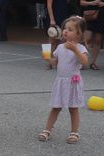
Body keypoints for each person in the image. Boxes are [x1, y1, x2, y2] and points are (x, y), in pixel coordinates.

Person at [38, 16, 89, 144]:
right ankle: (47, 130)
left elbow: (84, 62)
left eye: (70, 29)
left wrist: (75, 50)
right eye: (65, 28)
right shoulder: (60, 47)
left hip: (73, 82)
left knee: (73, 108)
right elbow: (55, 62)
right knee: (56, 107)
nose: (65, 31)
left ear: (79, 34)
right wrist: (47, 57)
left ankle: (74, 132)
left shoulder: (81, 48)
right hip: (60, 81)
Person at [46, 0, 72, 67]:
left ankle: (56, 60)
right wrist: (52, 19)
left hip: (63, 15)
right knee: (52, 39)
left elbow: (65, 1)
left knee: (60, 39)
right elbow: (49, 4)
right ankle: (47, 59)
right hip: (54, 15)